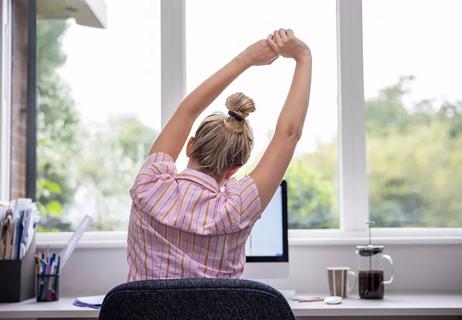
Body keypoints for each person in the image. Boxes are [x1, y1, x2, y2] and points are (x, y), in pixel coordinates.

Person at [127, 28, 312, 280]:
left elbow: (186, 112)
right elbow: (288, 136)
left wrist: (245, 59)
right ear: (234, 168)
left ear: (190, 145)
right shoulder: (236, 208)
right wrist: (303, 57)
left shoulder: (150, 184)